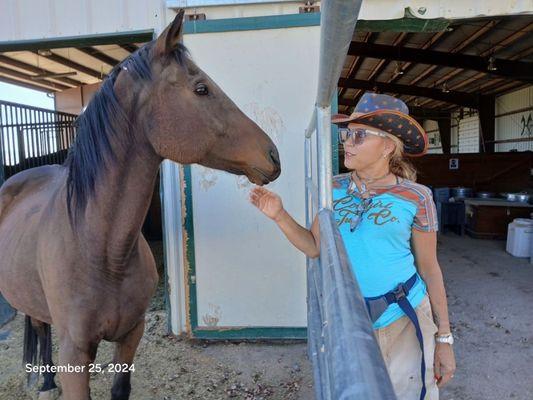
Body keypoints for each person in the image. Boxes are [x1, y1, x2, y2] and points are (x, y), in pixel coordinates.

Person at [249, 92, 456, 400]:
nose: (347, 142)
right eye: (346, 134)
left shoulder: (417, 196)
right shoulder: (332, 188)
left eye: (359, 135)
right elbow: (315, 248)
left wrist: (444, 338)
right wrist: (280, 216)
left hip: (405, 314)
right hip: (352, 319)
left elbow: (429, 268)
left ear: (387, 146)